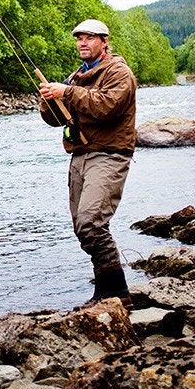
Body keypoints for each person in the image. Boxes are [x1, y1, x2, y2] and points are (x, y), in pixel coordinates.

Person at [38, 18, 137, 309]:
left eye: (90, 38)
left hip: (109, 154)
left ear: (104, 41)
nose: (83, 42)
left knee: (91, 223)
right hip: (80, 155)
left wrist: (66, 92)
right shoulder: (76, 76)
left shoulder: (119, 72)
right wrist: (48, 100)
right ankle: (105, 292)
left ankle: (118, 292)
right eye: (79, 38)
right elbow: (56, 120)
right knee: (82, 228)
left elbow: (107, 106)